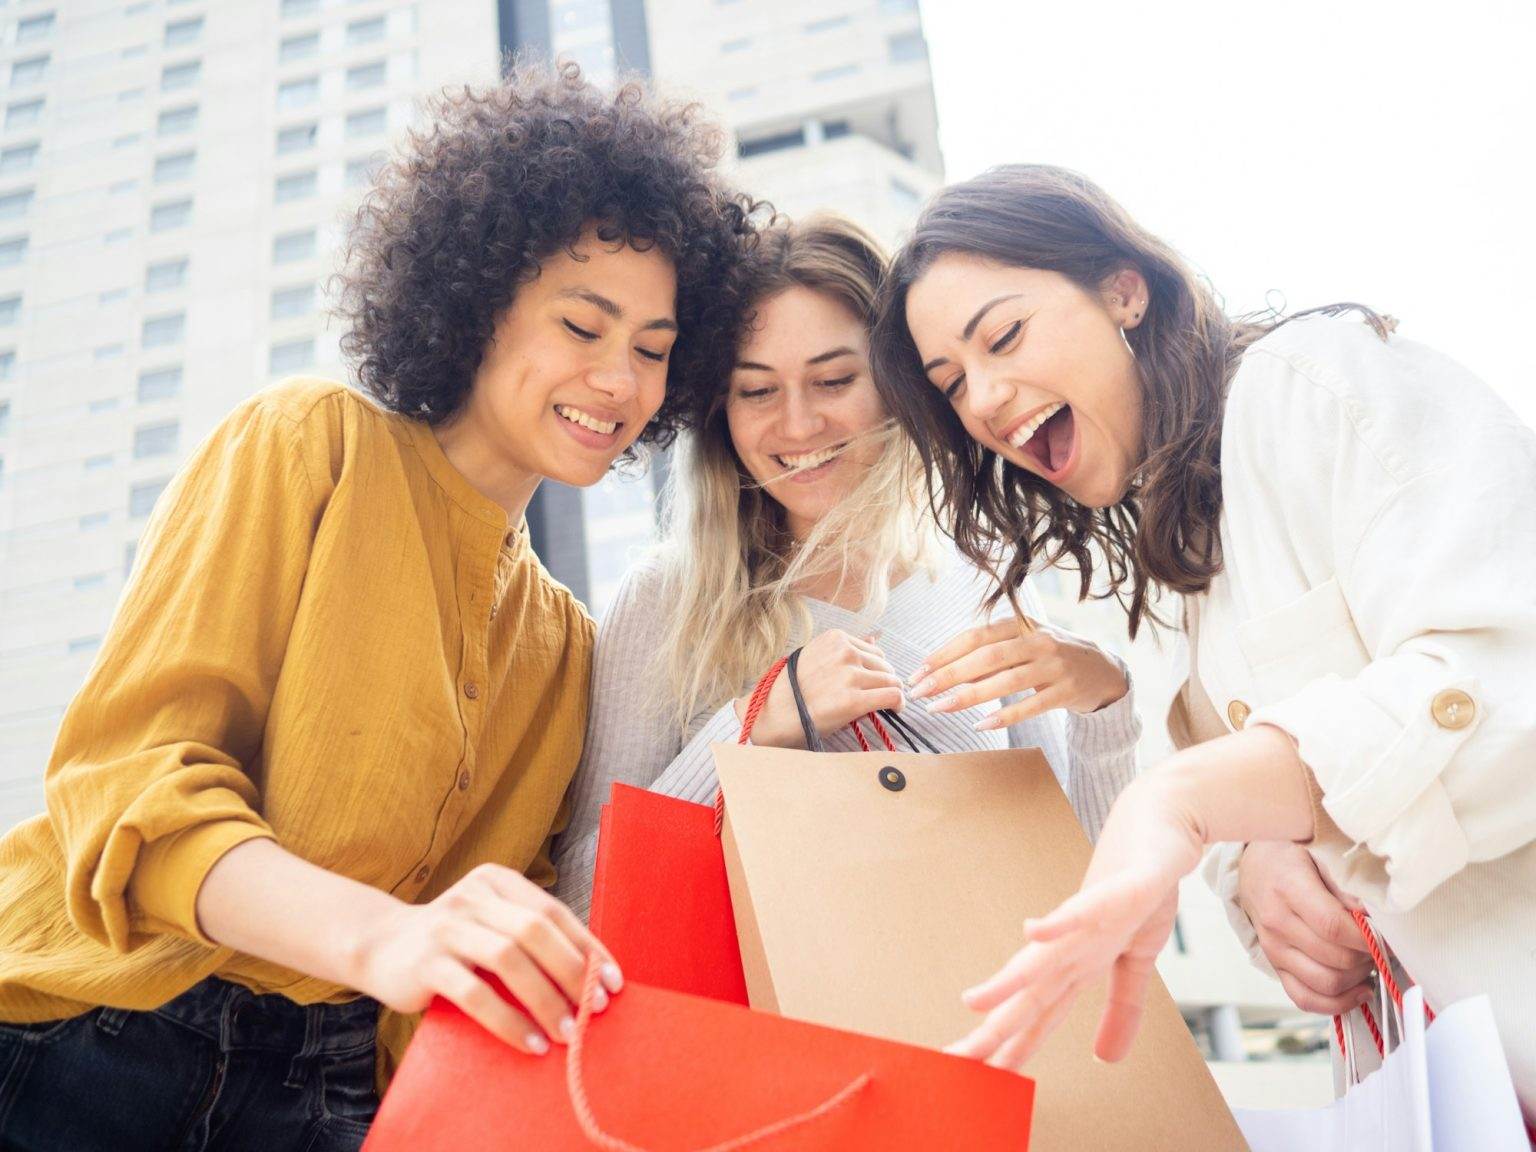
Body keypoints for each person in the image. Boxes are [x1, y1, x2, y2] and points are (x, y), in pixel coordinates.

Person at [0, 64, 757, 1150]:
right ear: (479, 296)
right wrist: (386, 939)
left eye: (652, 349)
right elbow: (128, 784)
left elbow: (495, 940)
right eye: (583, 325)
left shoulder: (567, 650)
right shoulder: (310, 441)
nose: (619, 381)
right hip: (95, 1035)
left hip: (333, 1098)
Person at [870, 163, 1536, 1122]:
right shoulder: (1167, 565)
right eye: (951, 383)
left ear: (1124, 290)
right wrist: (1263, 862)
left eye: (1003, 336)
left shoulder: (1312, 384)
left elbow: (1504, 680)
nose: (979, 400)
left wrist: (1194, 800)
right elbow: (1278, 811)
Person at [552, 214, 1140, 920]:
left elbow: (1085, 888)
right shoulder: (668, 596)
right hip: (762, 1030)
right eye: (758, 391)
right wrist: (753, 727)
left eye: (832, 380)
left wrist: (1106, 699)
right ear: (721, 415)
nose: (798, 426)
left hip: (978, 1023)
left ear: (897, 386)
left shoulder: (979, 573)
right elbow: (582, 897)